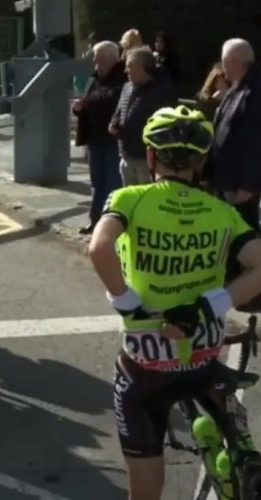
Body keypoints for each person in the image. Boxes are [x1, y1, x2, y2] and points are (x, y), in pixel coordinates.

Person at [89, 105, 261, 500]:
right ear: (201, 161)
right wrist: (210, 305)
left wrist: (128, 304)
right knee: (232, 432)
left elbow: (99, 248)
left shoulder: (129, 198)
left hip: (145, 369)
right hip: (201, 357)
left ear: (150, 156)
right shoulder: (223, 212)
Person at [206, 38, 261, 233]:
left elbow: (256, 141)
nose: (222, 68)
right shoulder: (238, 88)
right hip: (227, 178)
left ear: (234, 62)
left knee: (244, 231)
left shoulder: (254, 92)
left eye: (224, 62)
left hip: (240, 184)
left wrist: (248, 183)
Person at [72, 40, 126, 235]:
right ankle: (95, 221)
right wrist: (78, 108)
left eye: (97, 57)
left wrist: (88, 103)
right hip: (94, 138)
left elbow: (110, 101)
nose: (94, 60)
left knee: (112, 183)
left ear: (109, 58)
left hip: (111, 140)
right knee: (96, 182)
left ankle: (110, 225)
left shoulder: (122, 78)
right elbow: (88, 101)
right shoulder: (95, 78)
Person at [110, 47, 176, 186]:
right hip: (126, 155)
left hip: (146, 159)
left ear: (142, 67)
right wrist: (114, 123)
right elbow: (119, 111)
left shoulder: (162, 91)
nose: (125, 71)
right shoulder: (127, 87)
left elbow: (166, 125)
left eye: (129, 66)